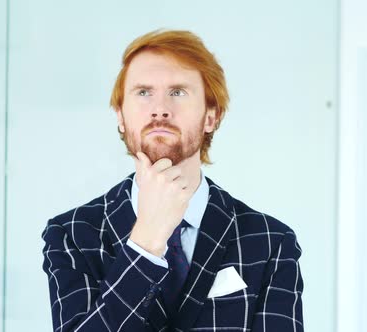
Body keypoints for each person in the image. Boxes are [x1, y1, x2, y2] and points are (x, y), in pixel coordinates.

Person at [41, 29, 304, 332]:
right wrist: (145, 242)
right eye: (143, 92)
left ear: (211, 116)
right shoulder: (72, 235)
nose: (160, 109)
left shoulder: (270, 241)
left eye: (178, 92)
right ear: (120, 117)